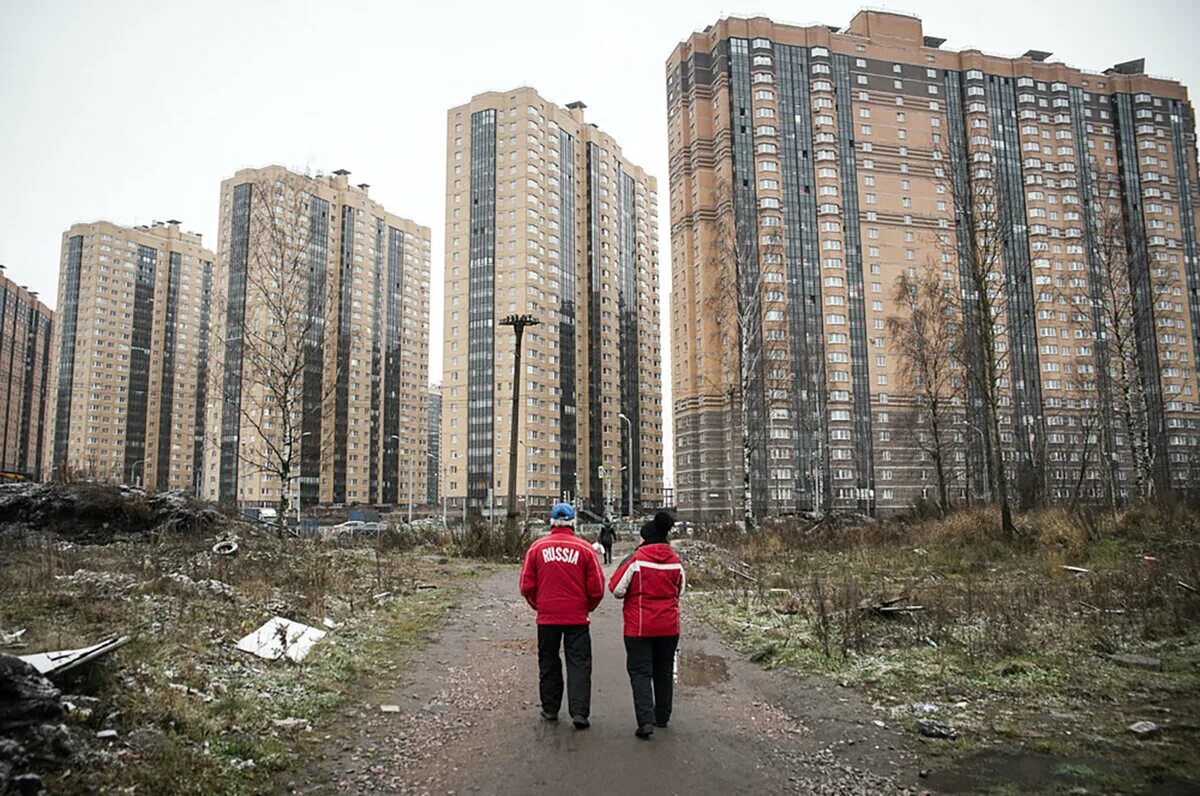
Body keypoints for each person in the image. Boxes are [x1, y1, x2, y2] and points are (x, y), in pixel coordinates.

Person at [518, 502, 604, 729]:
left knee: (548, 661)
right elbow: (597, 587)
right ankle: (579, 712)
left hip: (547, 617)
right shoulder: (585, 549)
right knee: (579, 664)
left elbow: (526, 585)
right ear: (573, 522)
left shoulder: (537, 548)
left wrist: (539, 605)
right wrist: (588, 607)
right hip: (577, 618)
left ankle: (550, 708)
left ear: (551, 522)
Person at [608, 511, 685, 739]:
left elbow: (616, 589)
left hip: (639, 627)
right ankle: (662, 716)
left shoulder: (636, 559)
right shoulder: (675, 561)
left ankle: (645, 722)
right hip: (669, 628)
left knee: (640, 672)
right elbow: (680, 590)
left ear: (647, 537)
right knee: (663, 671)